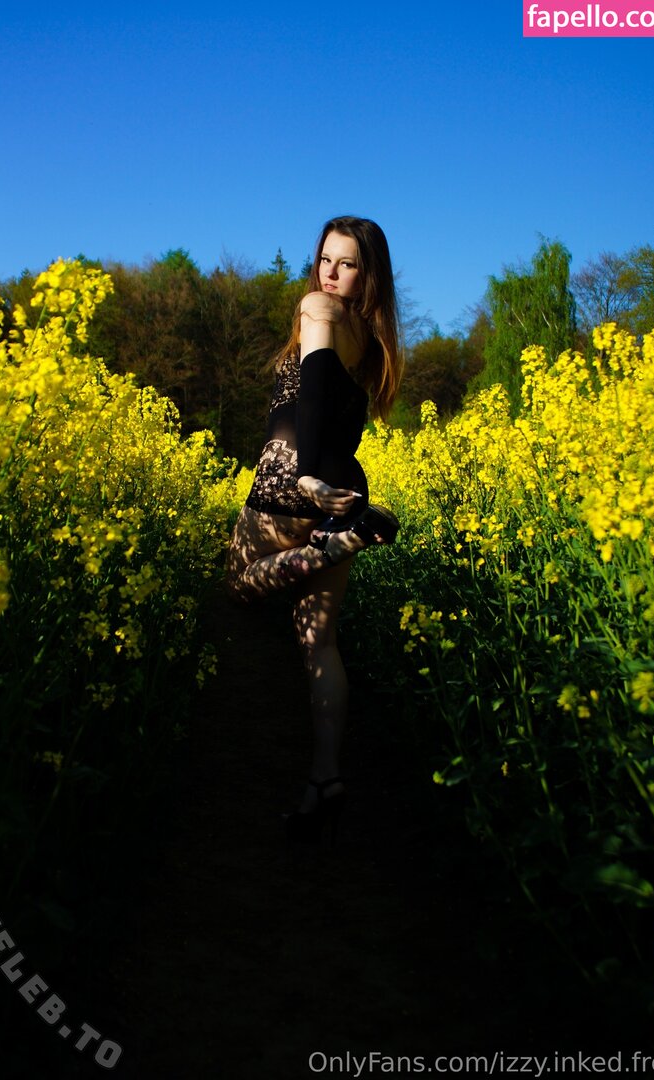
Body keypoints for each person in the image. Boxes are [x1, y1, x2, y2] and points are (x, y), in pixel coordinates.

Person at [225, 215, 403, 843]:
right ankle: (325, 777)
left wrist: (304, 477)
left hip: (294, 481)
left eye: (347, 263)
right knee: (318, 644)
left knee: (239, 585)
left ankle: (332, 546)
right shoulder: (374, 343)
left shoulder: (318, 309)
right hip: (345, 491)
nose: (330, 273)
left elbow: (316, 389)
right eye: (326, 259)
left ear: (367, 273)